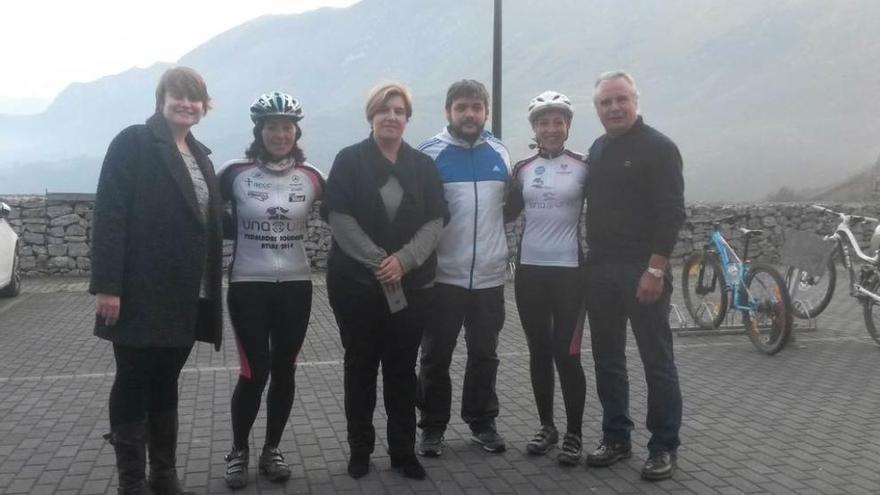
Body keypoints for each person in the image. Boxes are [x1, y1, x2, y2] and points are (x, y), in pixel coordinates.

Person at [90, 66, 223, 495]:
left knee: (166, 380)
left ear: (204, 106)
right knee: (133, 379)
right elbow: (110, 214)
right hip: (139, 291)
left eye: (194, 97)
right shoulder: (134, 142)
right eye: (177, 95)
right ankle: (132, 480)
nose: (186, 103)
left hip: (188, 293)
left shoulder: (201, 154)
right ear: (161, 99)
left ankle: (163, 474)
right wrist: (108, 285)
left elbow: (205, 221)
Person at [322, 82, 448, 480]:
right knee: (359, 369)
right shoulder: (348, 160)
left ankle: (402, 451)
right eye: (383, 110)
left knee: (401, 371)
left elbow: (436, 219)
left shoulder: (423, 166)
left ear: (408, 118)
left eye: (398, 110)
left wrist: (405, 261)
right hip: (355, 287)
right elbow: (339, 218)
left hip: (411, 290)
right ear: (371, 116)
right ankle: (360, 450)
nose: (391, 116)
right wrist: (381, 262)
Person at [218, 92, 324, 489]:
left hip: (296, 285)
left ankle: (271, 449)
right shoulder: (234, 172)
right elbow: (206, 219)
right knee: (253, 371)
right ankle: (238, 450)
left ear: (296, 131)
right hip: (248, 284)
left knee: (285, 370)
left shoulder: (312, 176)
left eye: (286, 127)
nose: (279, 134)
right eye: (271, 126)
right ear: (258, 130)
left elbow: (346, 215)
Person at [582, 71, 685, 480]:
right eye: (605, 102)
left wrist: (655, 269)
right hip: (601, 270)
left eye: (621, 99)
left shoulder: (659, 148)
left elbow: (671, 212)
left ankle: (663, 446)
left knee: (656, 361)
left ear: (635, 101)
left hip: (644, 271)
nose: (614, 107)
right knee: (608, 360)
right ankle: (616, 437)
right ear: (597, 109)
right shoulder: (598, 148)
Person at [416, 79, 511, 456]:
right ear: (448, 112)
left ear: (485, 112)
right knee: (436, 356)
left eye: (476, 107)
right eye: (461, 107)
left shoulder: (500, 152)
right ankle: (432, 427)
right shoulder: (429, 154)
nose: (469, 114)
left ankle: (482, 422)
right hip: (443, 278)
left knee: (485, 354)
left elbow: (507, 209)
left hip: (489, 275)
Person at [505, 91, 588, 466]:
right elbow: (502, 212)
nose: (551, 128)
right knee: (539, 352)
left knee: (566, 354)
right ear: (534, 128)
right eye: (543, 122)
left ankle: (574, 433)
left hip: (570, 273)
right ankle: (547, 427)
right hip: (530, 272)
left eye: (558, 121)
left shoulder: (585, 165)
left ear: (568, 126)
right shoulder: (522, 168)